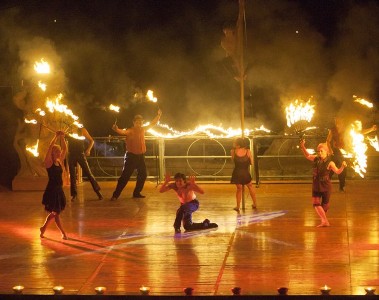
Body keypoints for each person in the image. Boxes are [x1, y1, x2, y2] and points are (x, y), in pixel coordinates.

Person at [110, 109, 162, 200]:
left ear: (142, 123)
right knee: (125, 176)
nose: (139, 124)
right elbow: (123, 132)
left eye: (140, 122)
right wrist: (116, 129)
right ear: (134, 122)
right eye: (137, 122)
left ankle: (137, 193)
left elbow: (152, 123)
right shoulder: (130, 130)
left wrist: (158, 116)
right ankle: (115, 195)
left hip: (141, 157)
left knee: (143, 174)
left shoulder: (143, 129)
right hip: (131, 157)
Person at [300, 139, 347, 227]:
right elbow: (307, 155)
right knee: (316, 203)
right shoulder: (316, 159)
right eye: (318, 151)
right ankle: (325, 221)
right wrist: (303, 146)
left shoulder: (330, 163)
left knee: (324, 207)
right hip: (316, 185)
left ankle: (324, 220)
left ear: (327, 152)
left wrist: (342, 167)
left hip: (326, 186)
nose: (319, 153)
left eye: (321, 151)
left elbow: (337, 172)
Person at [40, 131, 68, 240]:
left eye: (59, 152)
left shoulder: (59, 161)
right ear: (53, 153)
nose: (60, 153)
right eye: (57, 152)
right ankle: (63, 233)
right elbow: (49, 148)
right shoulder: (49, 162)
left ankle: (43, 228)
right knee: (56, 213)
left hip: (59, 190)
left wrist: (62, 137)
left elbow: (65, 149)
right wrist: (55, 137)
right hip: (52, 190)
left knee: (56, 213)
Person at [66, 126, 103, 201]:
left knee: (89, 173)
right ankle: (74, 195)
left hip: (80, 154)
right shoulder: (68, 130)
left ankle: (98, 192)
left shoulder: (82, 130)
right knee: (72, 175)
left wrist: (88, 150)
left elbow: (91, 141)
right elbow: (66, 142)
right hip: (71, 154)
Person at [230, 137, 257, 212]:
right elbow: (251, 162)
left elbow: (233, 160)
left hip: (237, 173)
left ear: (238, 145)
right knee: (250, 187)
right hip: (245, 172)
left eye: (235, 143)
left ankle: (238, 206)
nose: (233, 144)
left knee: (239, 189)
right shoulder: (248, 151)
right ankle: (255, 203)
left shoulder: (232, 151)